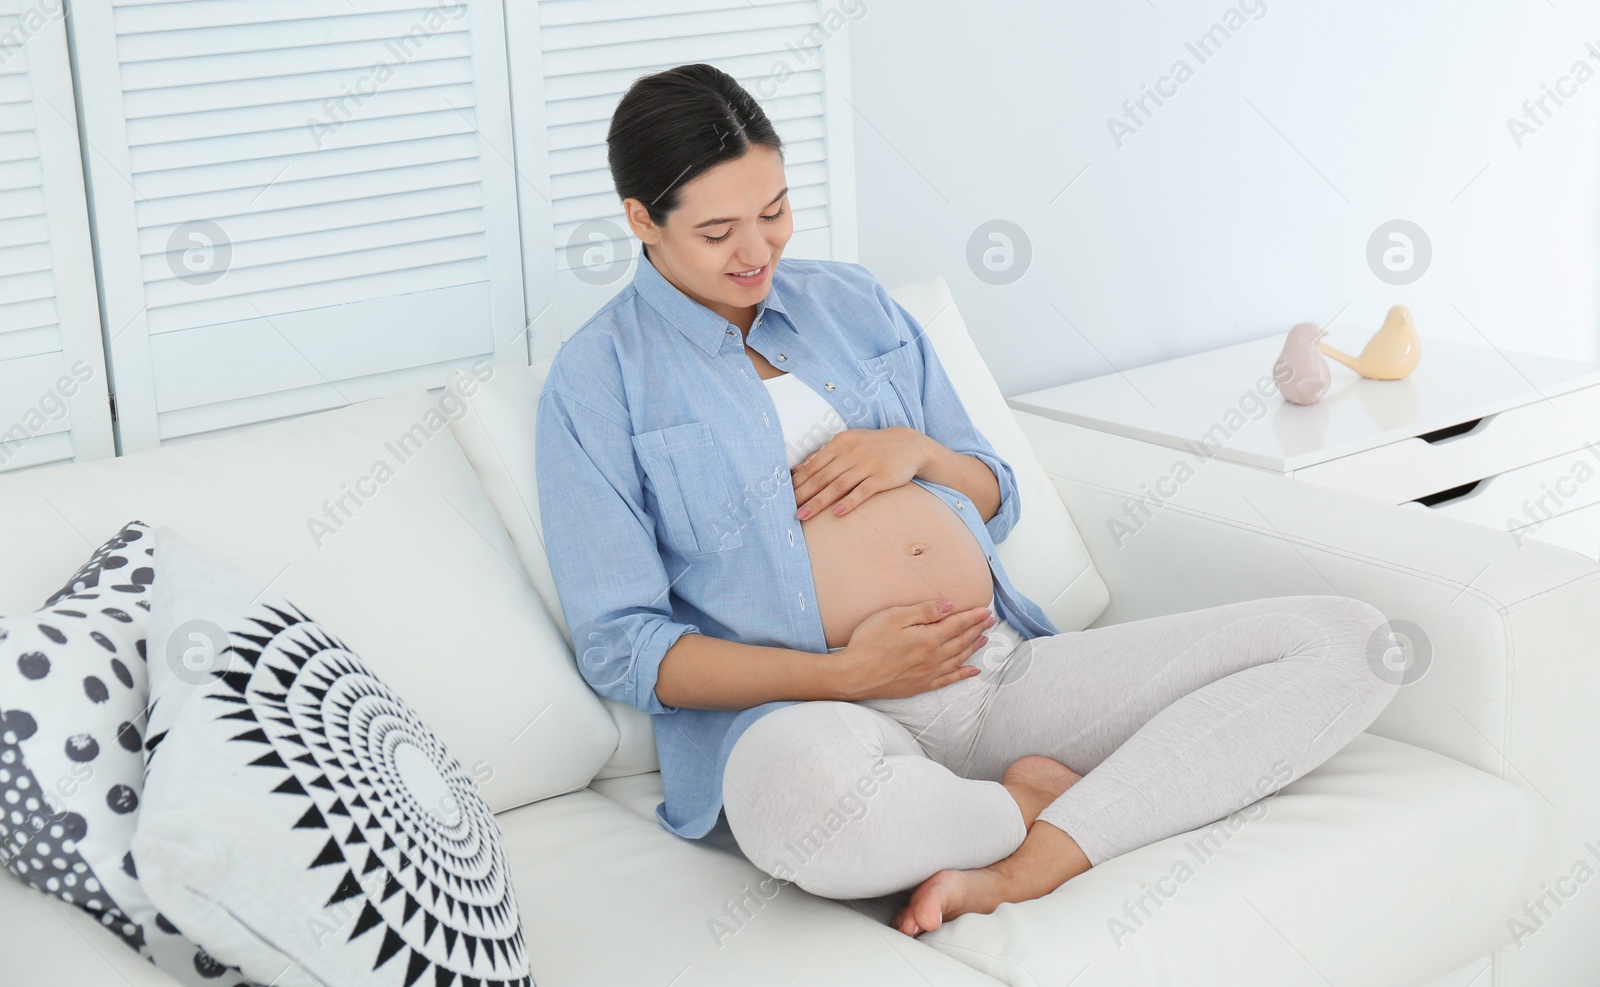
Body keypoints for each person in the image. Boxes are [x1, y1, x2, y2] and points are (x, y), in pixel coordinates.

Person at [535, 63, 1400, 937]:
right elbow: (625, 649)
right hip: (812, 718)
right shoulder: (598, 379)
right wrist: (846, 674)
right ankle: (1020, 801)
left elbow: (997, 490)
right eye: (719, 231)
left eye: (775, 212)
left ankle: (1036, 856)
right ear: (642, 220)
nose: (758, 251)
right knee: (805, 806)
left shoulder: (853, 303)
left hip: (997, 673)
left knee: (1353, 642)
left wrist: (920, 453)